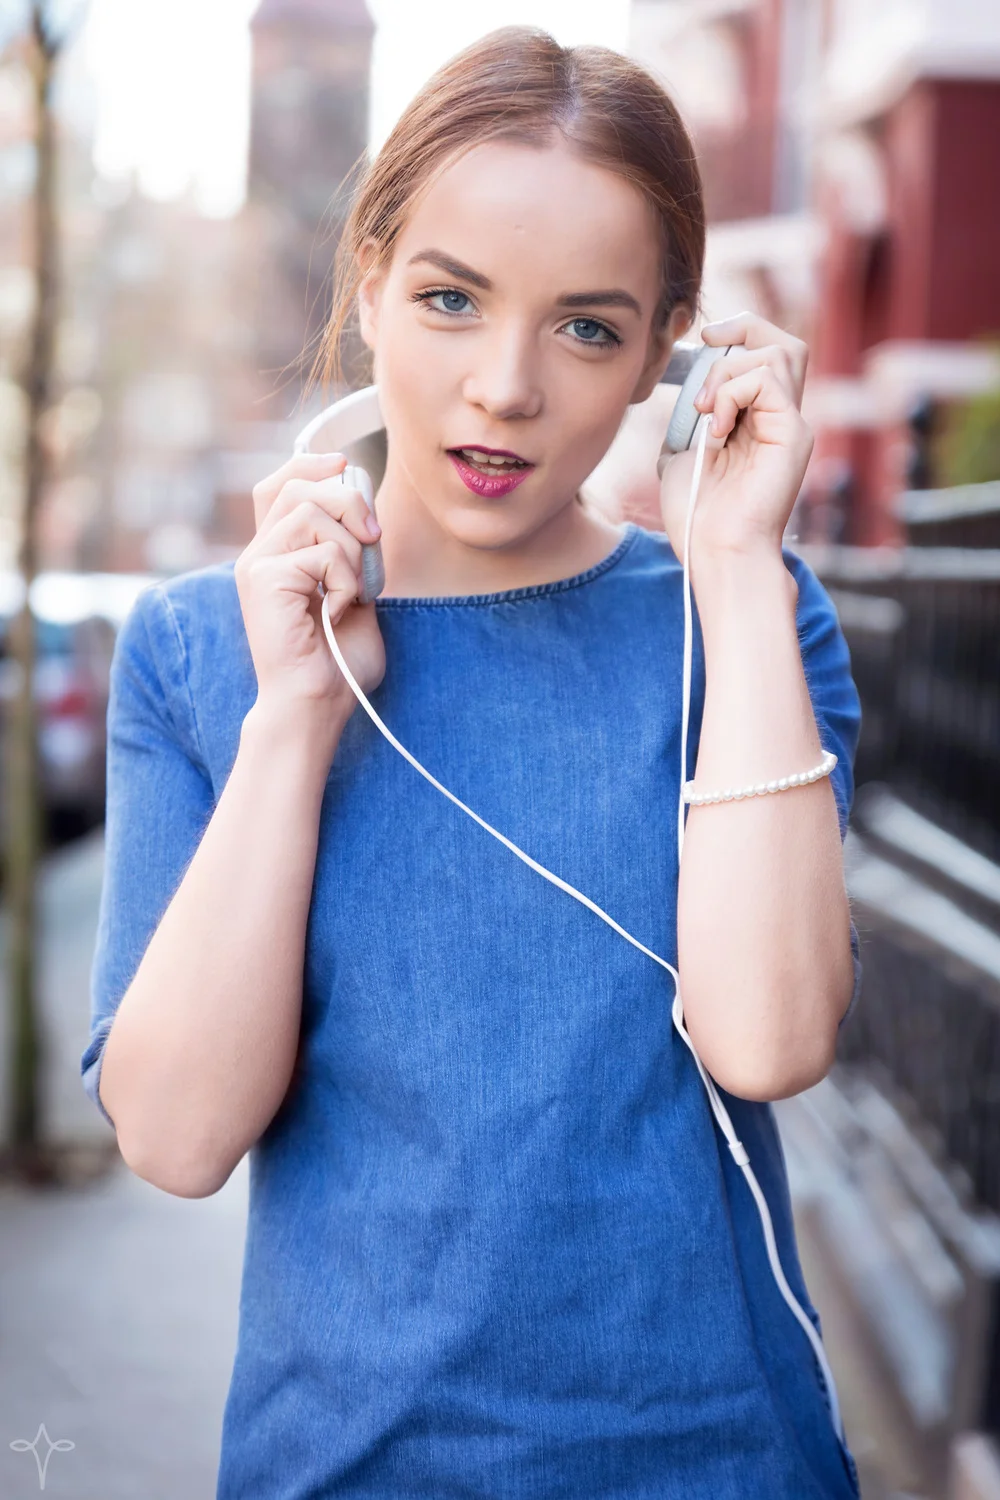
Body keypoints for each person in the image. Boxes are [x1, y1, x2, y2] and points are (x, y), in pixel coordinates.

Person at [81, 26, 864, 1500]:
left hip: (719, 1464)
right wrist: (297, 715)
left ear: (667, 356)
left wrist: (738, 566)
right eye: (450, 299)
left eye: (585, 326)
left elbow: (768, 1043)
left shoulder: (746, 622)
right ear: (368, 284)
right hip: (351, 1469)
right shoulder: (198, 648)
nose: (505, 387)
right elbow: (178, 1138)